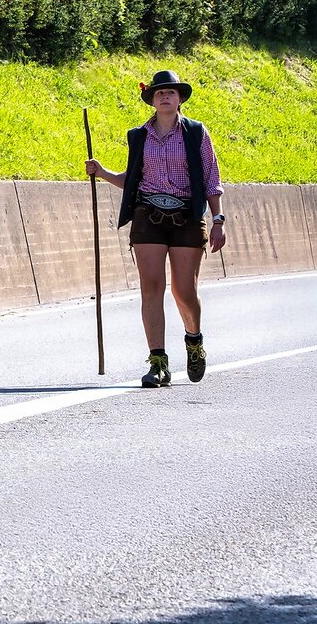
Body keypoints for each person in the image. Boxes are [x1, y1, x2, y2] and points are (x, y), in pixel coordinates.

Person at [84, 70, 225, 388]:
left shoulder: (196, 133)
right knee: (151, 288)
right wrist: (103, 172)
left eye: (171, 92)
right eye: (160, 92)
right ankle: (158, 363)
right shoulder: (139, 136)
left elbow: (211, 181)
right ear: (152, 99)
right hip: (148, 215)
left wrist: (218, 220)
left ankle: (193, 339)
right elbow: (132, 180)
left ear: (179, 99)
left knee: (183, 292)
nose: (165, 96)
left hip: (186, 217)